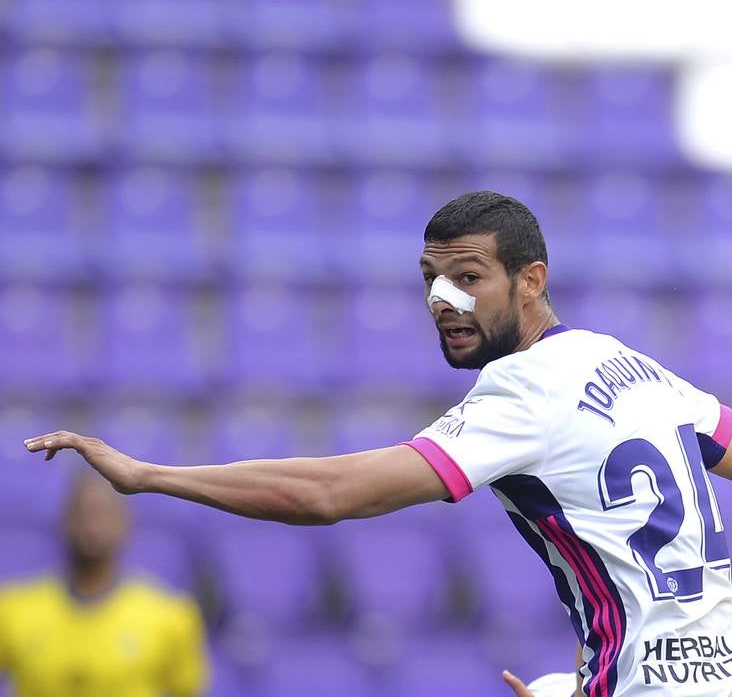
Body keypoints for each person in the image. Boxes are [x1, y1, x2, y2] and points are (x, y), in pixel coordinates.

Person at [25, 190, 732, 695]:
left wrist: (148, 475)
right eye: (430, 280)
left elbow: (331, 495)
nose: (441, 301)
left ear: (531, 280)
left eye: (468, 278)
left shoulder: (524, 388)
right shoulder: (635, 367)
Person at [0, 473, 208, 697]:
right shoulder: (13, 608)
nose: (92, 525)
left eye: (102, 514)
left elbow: (187, 689)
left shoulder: (170, 614)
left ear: (126, 524)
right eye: (83, 514)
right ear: (64, 521)